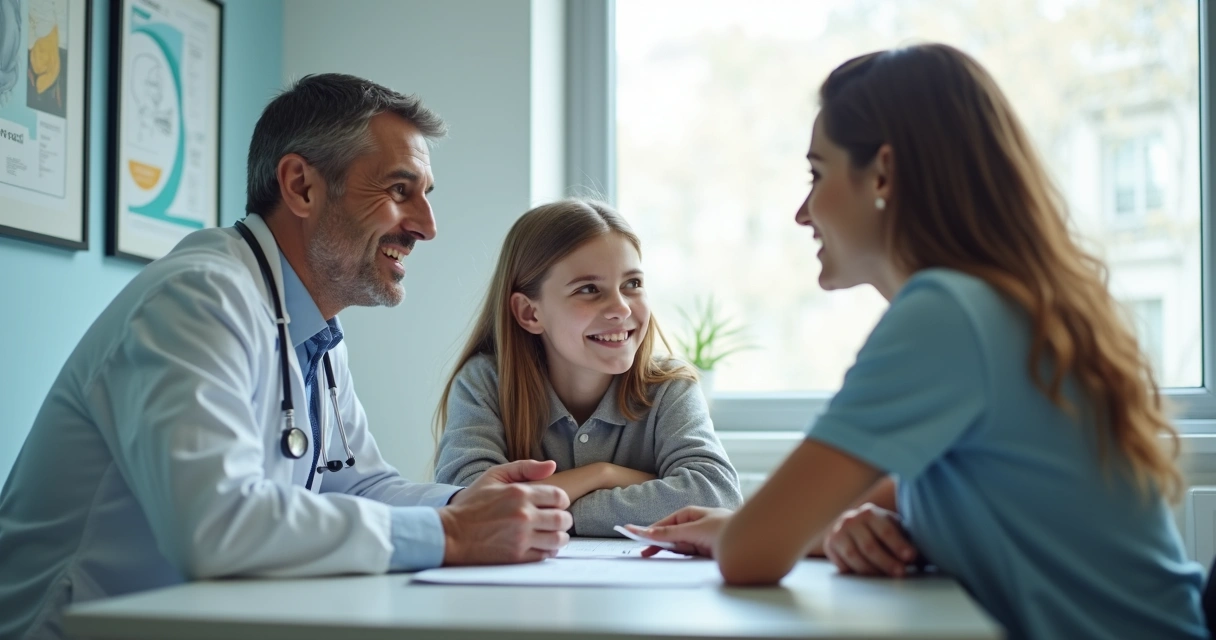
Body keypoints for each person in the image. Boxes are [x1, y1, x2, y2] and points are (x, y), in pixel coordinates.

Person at [627, 44, 1207, 639]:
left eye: (817, 174)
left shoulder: (946, 313)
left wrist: (751, 532)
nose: (803, 213)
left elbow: (753, 555)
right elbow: (886, 497)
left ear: (882, 172)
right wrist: (828, 525)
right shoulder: (1000, 303)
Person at [0, 73, 572, 640]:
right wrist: (451, 533)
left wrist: (468, 500)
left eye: (425, 195)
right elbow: (216, 527)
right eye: (400, 191)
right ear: (301, 186)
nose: (426, 225)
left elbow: (358, 486)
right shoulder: (198, 298)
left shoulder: (308, 328)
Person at [433, 199, 743, 536]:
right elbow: (472, 504)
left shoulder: (670, 387)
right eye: (589, 289)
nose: (621, 308)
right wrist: (604, 474)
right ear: (529, 313)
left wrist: (551, 507)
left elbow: (717, 496)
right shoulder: (485, 383)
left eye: (633, 284)